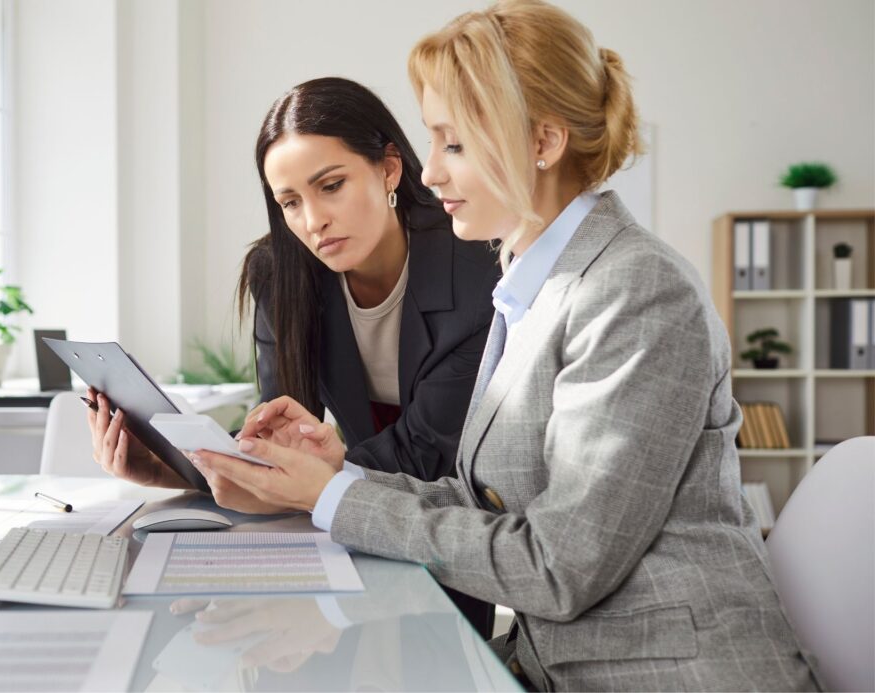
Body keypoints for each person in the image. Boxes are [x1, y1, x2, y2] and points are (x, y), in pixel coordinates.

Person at [190, 2, 820, 690]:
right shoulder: (534, 283)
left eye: (453, 144)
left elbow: (557, 565)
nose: (429, 174)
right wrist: (335, 479)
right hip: (557, 661)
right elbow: (485, 498)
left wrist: (339, 498)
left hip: (670, 672)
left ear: (543, 143)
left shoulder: (636, 290)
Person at [86, 76, 500, 637]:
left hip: (441, 529)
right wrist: (171, 471)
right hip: (337, 541)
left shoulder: (477, 266)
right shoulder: (280, 273)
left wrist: (299, 482)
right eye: (289, 202)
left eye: (331, 186)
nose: (312, 220)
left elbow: (429, 454)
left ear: (389, 168)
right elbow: (278, 435)